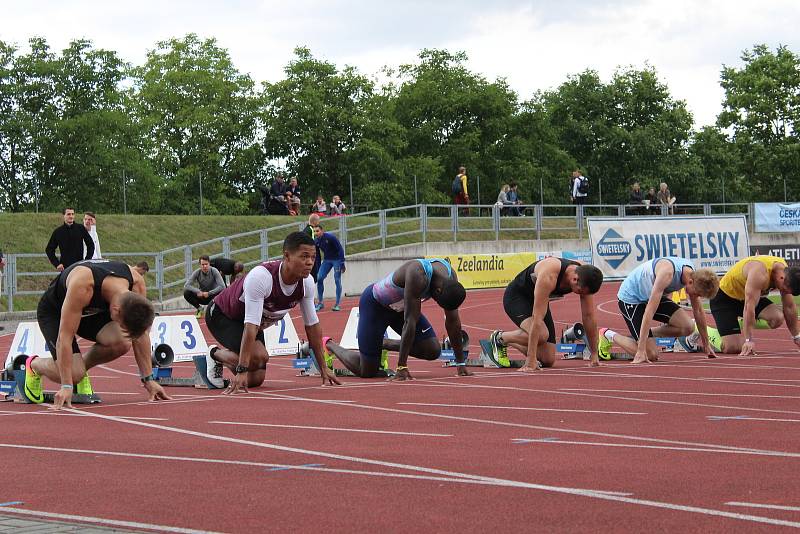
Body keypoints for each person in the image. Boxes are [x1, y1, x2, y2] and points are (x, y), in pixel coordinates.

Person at [25, 259, 170, 409]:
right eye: (121, 324)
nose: (119, 327)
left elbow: (140, 335)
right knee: (74, 375)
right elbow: (65, 338)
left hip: (92, 311)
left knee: (122, 342)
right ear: (115, 310)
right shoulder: (83, 285)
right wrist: (67, 385)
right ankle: (34, 365)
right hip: (56, 311)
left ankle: (79, 369)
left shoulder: (136, 285)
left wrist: (148, 379)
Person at [205, 232, 340, 390]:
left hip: (253, 322)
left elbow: (312, 327)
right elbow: (251, 326)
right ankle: (214, 355)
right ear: (287, 256)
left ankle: (228, 357)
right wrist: (241, 369)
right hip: (222, 315)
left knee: (255, 380)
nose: (310, 263)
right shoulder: (262, 277)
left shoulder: (307, 283)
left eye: (313, 257)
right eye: (304, 257)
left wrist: (323, 368)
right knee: (258, 358)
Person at [325, 259, 470, 380]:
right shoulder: (418, 274)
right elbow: (410, 321)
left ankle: (381, 344)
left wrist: (460, 363)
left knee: (433, 350)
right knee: (367, 371)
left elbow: (453, 322)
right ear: (438, 290)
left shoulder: (451, 279)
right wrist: (402, 366)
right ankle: (330, 345)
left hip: (399, 309)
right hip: (376, 306)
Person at [488, 257, 604, 371]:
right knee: (542, 335)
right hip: (518, 297)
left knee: (547, 359)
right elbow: (537, 318)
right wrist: (531, 359)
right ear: (575, 279)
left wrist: (594, 354)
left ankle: (507, 341)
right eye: (579, 292)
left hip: (539, 298)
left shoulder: (586, 275)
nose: (581, 295)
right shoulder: (549, 275)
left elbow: (588, 316)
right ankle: (499, 338)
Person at [599, 258, 719, 364]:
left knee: (688, 327)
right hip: (631, 299)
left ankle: (641, 335)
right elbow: (649, 311)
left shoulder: (694, 275)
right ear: (691, 282)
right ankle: (607, 334)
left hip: (650, 296)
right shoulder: (667, 274)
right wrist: (640, 351)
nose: (695, 296)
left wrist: (706, 344)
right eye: (696, 293)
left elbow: (698, 311)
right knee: (651, 354)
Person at [680, 256, 800, 356]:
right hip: (724, 298)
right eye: (784, 289)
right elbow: (749, 307)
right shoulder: (759, 274)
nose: (783, 291)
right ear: (781, 278)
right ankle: (698, 327)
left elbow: (789, 307)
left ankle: (736, 325)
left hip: (744, 297)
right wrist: (749, 340)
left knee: (777, 318)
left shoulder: (786, 272)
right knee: (733, 347)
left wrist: (796, 336)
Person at [45, 207, 95, 272]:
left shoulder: (81, 228)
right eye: (68, 214)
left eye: (72, 214)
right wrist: (57, 264)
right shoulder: (58, 232)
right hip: (65, 269)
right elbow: (49, 249)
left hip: (79, 267)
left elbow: (91, 244)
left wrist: (87, 260)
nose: (71, 216)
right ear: (64, 216)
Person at [313, 224, 345, 311]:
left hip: (337, 260)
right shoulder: (316, 241)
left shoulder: (330, 237)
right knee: (319, 278)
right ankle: (320, 303)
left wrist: (342, 262)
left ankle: (337, 304)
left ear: (322, 231)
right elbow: (318, 256)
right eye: (314, 231)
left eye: (317, 231)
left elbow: (340, 249)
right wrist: (318, 266)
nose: (316, 233)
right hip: (327, 260)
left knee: (337, 279)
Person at [303, 213, 322, 282]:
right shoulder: (311, 230)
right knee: (313, 277)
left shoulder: (306, 229)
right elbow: (314, 243)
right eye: (318, 221)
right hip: (312, 257)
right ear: (315, 222)